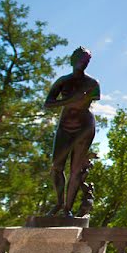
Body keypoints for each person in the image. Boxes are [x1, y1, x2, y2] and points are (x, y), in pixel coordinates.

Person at [43, 46, 100, 217]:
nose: (84, 63)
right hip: (65, 126)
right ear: (73, 60)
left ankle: (68, 209)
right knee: (56, 166)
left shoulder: (92, 83)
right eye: (81, 59)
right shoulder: (63, 81)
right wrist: (69, 100)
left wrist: (78, 100)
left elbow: (88, 101)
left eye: (87, 61)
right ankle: (59, 202)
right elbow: (48, 103)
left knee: (76, 170)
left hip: (84, 128)